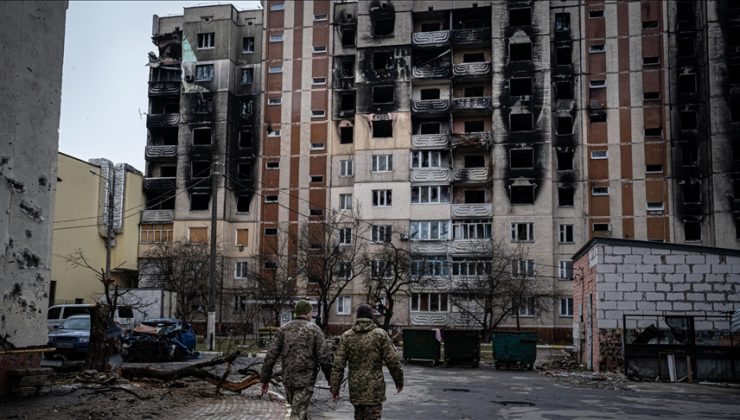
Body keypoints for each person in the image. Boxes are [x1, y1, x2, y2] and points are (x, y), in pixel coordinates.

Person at [330, 304, 403, 420]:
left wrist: (335, 388)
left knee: (358, 416)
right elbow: (392, 361)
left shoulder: (347, 336)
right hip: (374, 390)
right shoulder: (380, 335)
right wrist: (399, 381)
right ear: (371, 317)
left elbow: (338, 365)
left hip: (356, 389)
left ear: (357, 317)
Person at [261, 300, 330, 420]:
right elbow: (324, 357)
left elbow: (271, 355)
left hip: (288, 379)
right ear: (307, 313)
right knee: (297, 413)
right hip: (305, 379)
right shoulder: (314, 330)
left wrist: (265, 379)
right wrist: (331, 379)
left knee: (298, 409)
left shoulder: (283, 329)